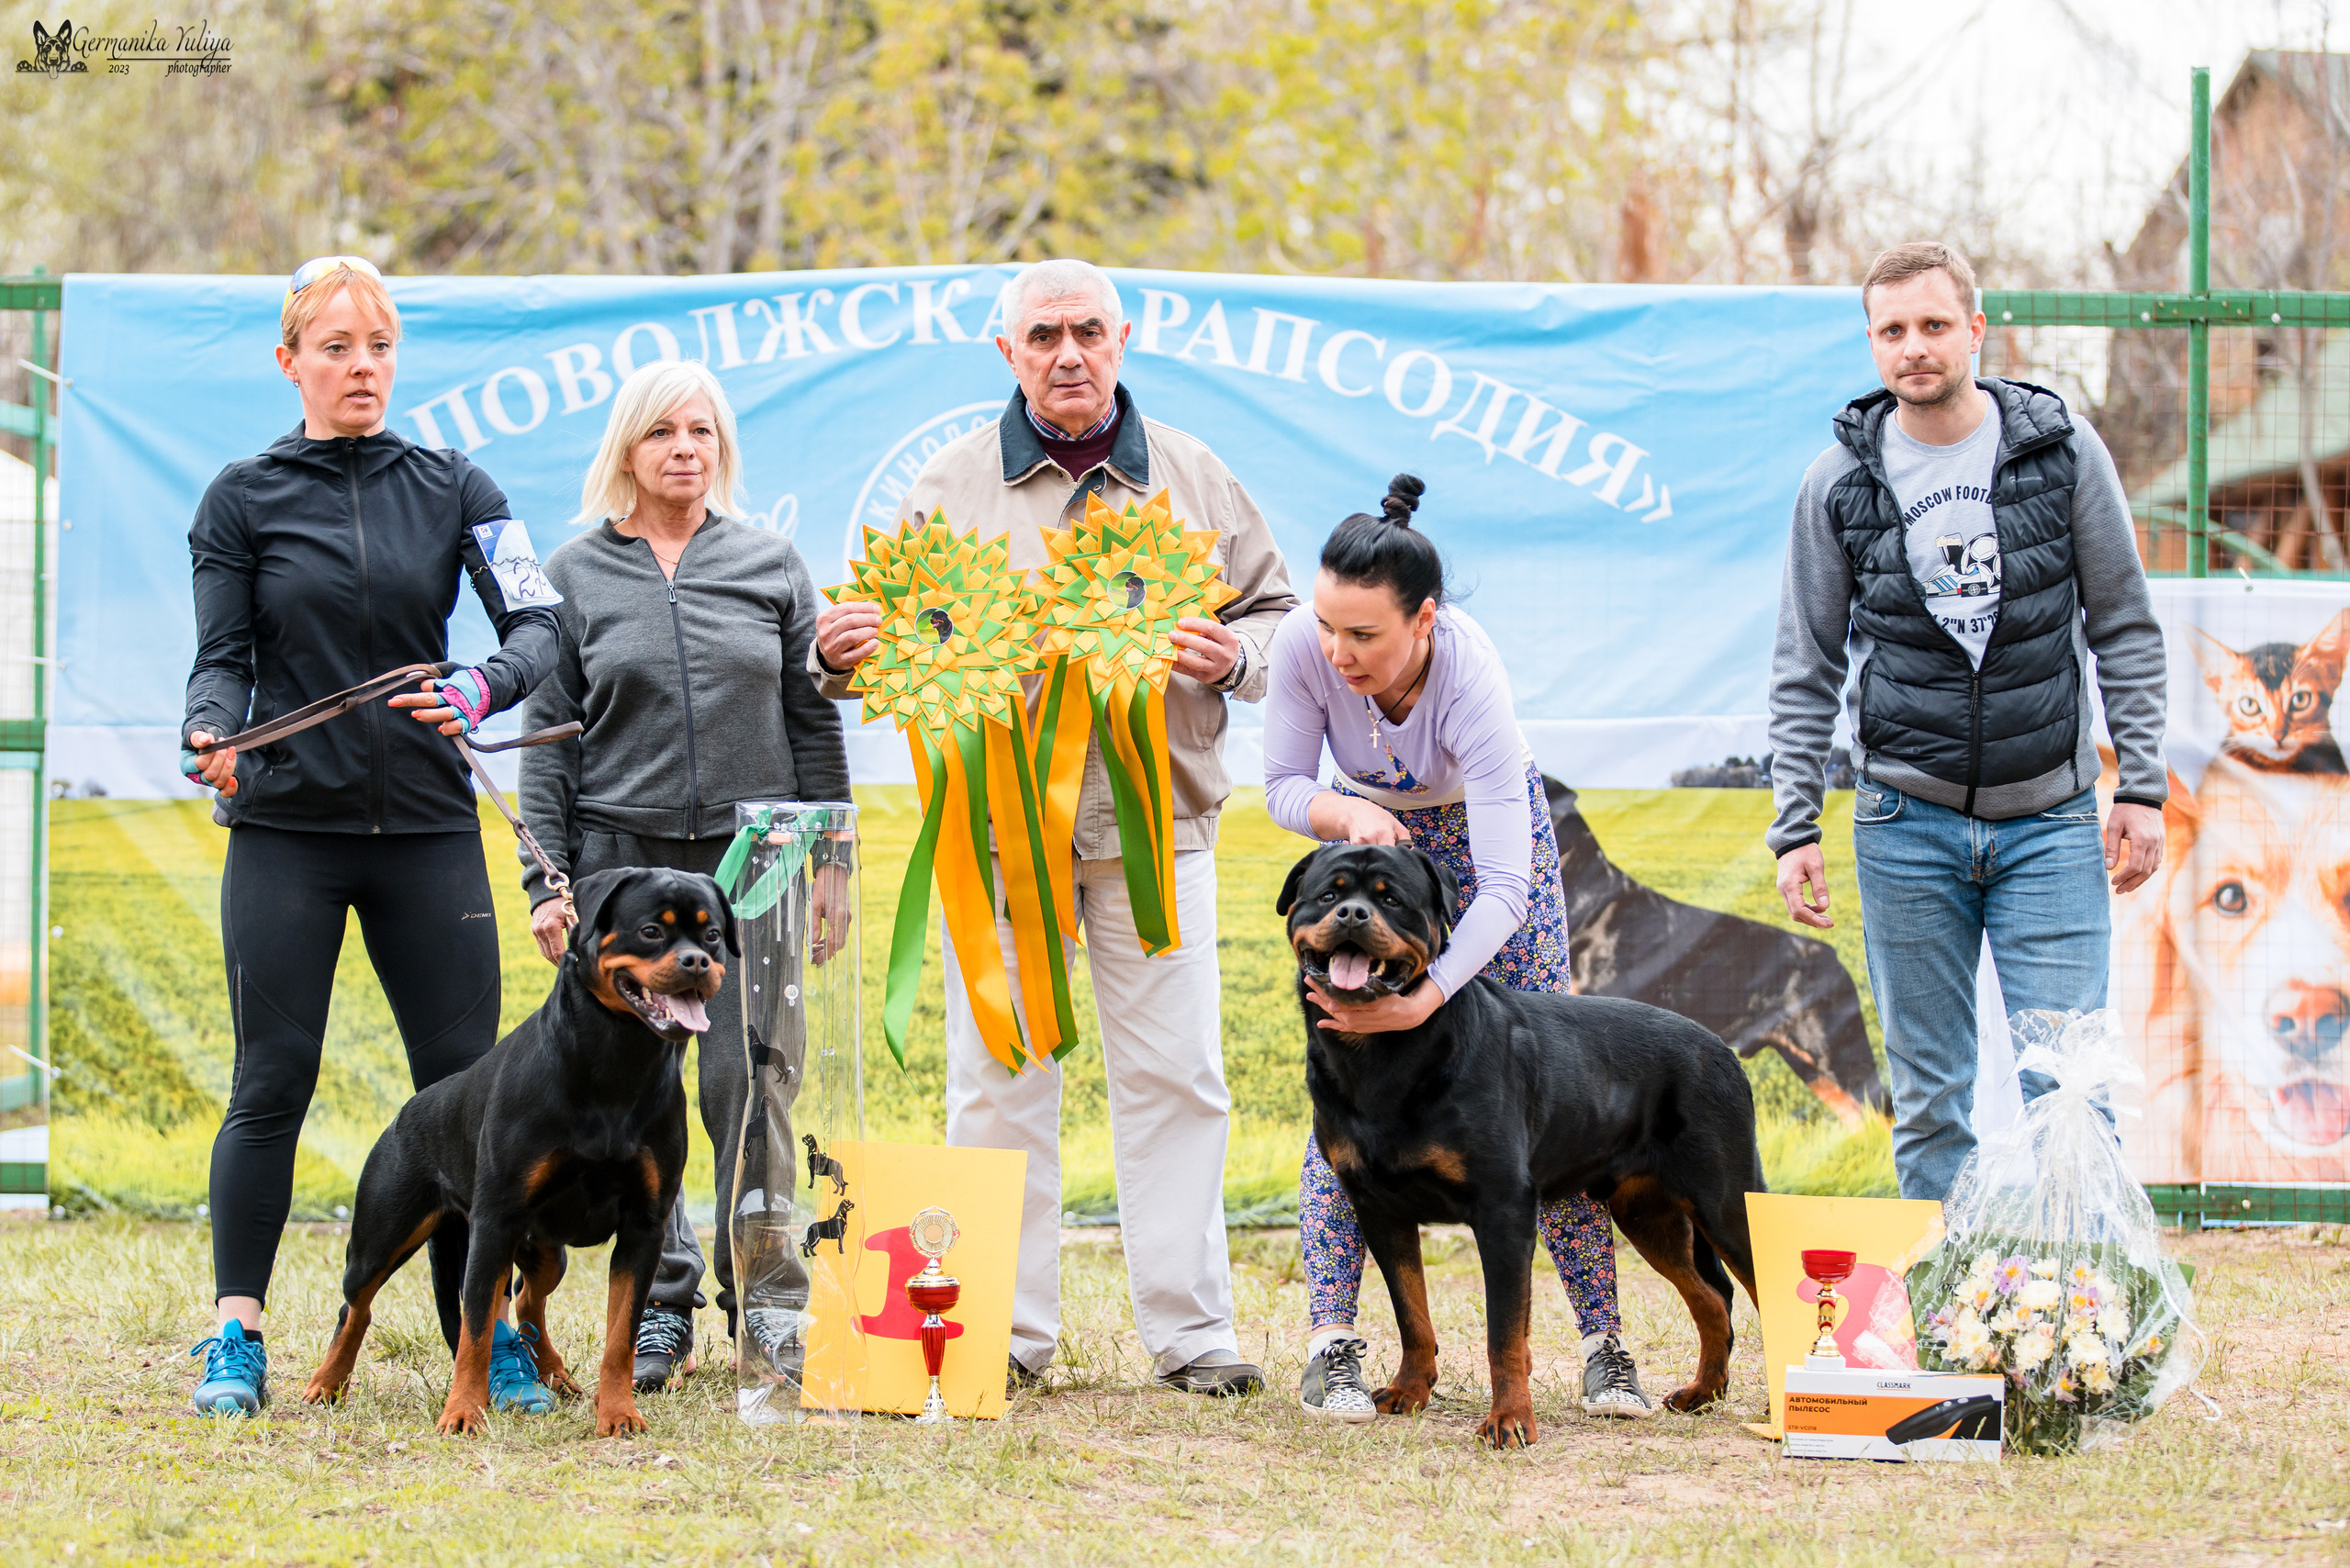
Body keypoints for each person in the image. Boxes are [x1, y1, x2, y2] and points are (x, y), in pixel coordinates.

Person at [811, 258, 1298, 1396]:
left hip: (1157, 827)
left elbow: (1276, 614)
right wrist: (840, 655)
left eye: (1087, 331)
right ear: (1006, 353)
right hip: (996, 843)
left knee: (1179, 1076)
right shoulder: (944, 481)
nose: (1067, 353)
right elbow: (882, 636)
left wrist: (1241, 657)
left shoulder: (1193, 474)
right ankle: (993, 1330)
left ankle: (1191, 1335)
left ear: (1124, 339)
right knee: (996, 1083)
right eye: (1043, 336)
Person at [180, 255, 563, 1416]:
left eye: (379, 348)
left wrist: (483, 687)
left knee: (464, 1095)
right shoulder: (240, 497)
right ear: (289, 361)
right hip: (289, 828)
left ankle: (483, 1331)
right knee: (270, 1081)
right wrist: (211, 729)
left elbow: (537, 623)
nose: (361, 368)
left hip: (430, 830)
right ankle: (235, 1335)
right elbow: (223, 660)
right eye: (336, 347)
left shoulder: (457, 485)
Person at [1766, 241, 2168, 1202]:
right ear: (1870, 343)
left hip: (2052, 822)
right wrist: (1793, 825)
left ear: (1976, 330)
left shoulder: (2062, 452)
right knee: (1930, 1099)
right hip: (1906, 825)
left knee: (2068, 1091)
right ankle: (1944, 1322)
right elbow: (1804, 665)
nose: (1914, 347)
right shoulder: (1837, 481)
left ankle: (2088, 1324)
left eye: (1934, 325)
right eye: (1892, 330)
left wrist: (2142, 785)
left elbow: (2123, 624)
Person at [1261, 476, 1655, 1424]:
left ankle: (1604, 1345)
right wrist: (1342, 808)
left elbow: (1507, 889)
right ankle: (1333, 1341)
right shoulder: (1300, 647)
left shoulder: (1470, 675)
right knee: (1343, 1105)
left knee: (1547, 1098)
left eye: (1364, 635)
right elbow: (1279, 782)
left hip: (1483, 852)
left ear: (1424, 620)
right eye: (1327, 626)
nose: (1336, 650)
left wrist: (1428, 993)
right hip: (1368, 853)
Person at [516, 359, 851, 1393]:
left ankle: (773, 1307)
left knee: (751, 1085)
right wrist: (548, 880)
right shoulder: (573, 575)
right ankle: (660, 1307)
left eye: (701, 432)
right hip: (624, 873)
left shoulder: (771, 563)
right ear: (627, 449)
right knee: (638, 1093)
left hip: (756, 869)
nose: (685, 450)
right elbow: (549, 738)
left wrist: (829, 858)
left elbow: (812, 717)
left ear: (722, 448)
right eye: (662, 432)